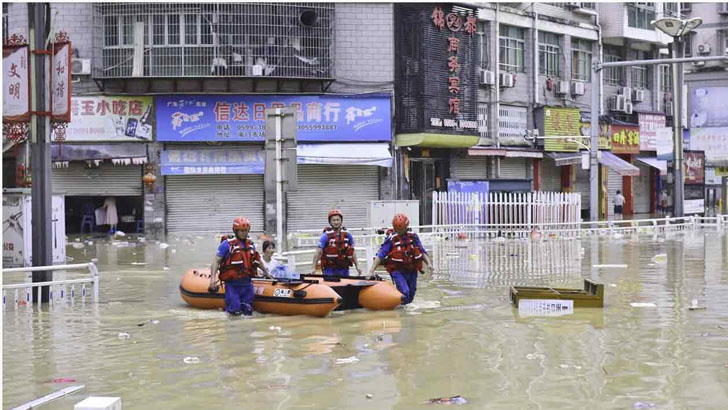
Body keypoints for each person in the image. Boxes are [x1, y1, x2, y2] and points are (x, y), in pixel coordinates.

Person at [208, 217, 272, 316]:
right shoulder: (227, 245)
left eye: (246, 231)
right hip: (233, 285)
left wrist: (267, 273)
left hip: (247, 285)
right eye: (241, 231)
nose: (244, 233)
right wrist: (212, 279)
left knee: (248, 312)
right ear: (235, 230)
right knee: (235, 312)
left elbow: (257, 260)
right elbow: (216, 261)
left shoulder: (250, 245)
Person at [368, 213, 432, 305]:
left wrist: (429, 263)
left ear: (406, 227)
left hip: (412, 269)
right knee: (405, 292)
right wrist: (371, 270)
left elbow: (421, 250)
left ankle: (404, 311)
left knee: (411, 295)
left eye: (401, 229)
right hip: (397, 270)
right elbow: (381, 254)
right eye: (397, 229)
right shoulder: (391, 239)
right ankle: (401, 312)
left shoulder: (413, 236)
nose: (399, 231)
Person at [309, 209, 363, 277]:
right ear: (330, 222)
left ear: (341, 221)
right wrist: (313, 267)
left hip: (344, 268)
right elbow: (318, 252)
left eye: (338, 220)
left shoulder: (347, 235)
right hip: (330, 269)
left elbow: (352, 251)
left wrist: (357, 266)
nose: (336, 222)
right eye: (333, 220)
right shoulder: (325, 236)